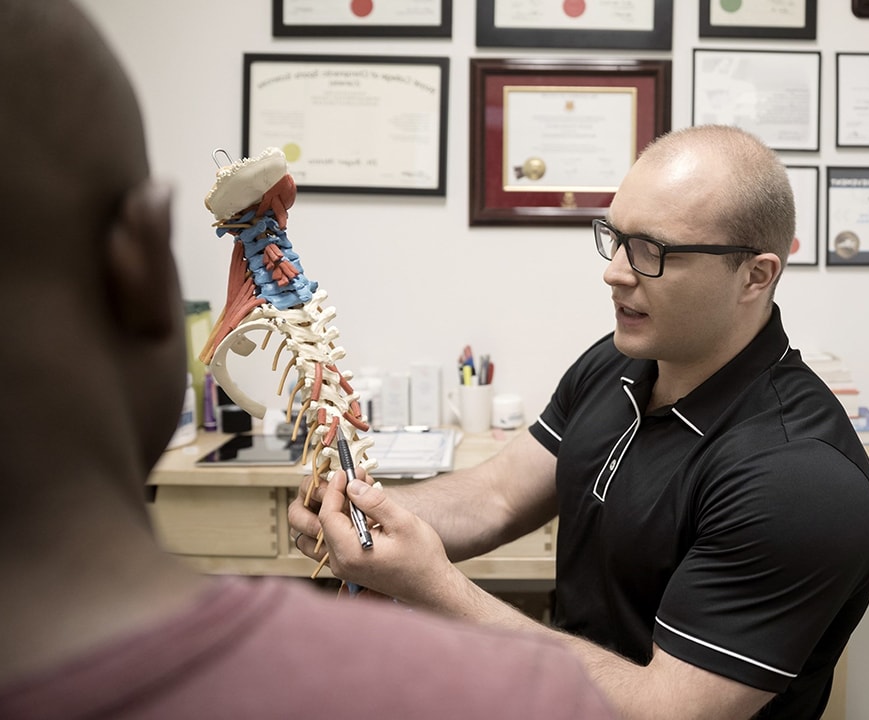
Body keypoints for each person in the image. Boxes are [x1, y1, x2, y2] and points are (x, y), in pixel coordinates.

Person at [0, 2, 615, 718]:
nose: (615, 272)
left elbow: (502, 495)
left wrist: (402, 547)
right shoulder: (527, 697)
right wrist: (429, 581)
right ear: (144, 265)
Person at [290, 124, 869, 719]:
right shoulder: (621, 360)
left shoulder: (797, 477)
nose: (616, 272)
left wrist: (432, 586)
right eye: (616, 237)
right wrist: (372, 516)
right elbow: (498, 495)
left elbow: (666, 711)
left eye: (653, 251)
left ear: (755, 276)